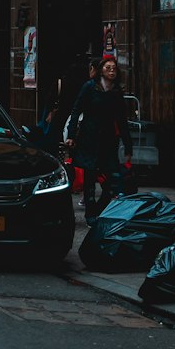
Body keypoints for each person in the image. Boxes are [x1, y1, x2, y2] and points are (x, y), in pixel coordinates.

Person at [66, 55, 133, 223]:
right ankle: (90, 213)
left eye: (114, 68)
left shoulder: (116, 92)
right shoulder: (89, 87)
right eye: (107, 68)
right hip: (89, 138)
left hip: (108, 140)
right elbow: (76, 110)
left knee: (112, 181)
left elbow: (121, 119)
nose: (111, 71)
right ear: (101, 70)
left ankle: (98, 208)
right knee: (89, 179)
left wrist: (128, 144)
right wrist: (71, 134)